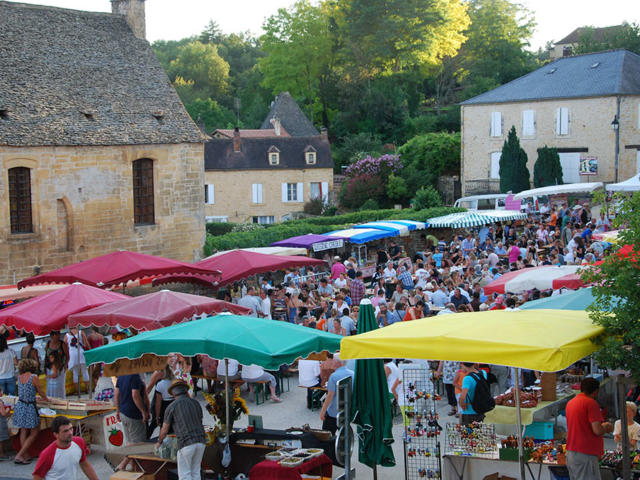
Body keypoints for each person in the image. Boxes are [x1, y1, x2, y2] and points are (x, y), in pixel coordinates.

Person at [156, 380, 207, 480]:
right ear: (185, 391)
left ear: (173, 394)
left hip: (186, 442)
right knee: (196, 472)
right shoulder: (196, 403)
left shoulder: (172, 406)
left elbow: (164, 430)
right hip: (201, 441)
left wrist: (159, 442)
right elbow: (199, 421)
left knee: (185, 475)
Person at [566, 377, 613, 480]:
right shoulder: (590, 403)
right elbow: (597, 430)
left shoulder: (571, 403)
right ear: (596, 391)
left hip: (571, 452)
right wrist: (606, 426)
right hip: (585, 453)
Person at [32, 416, 98, 480]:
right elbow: (37, 477)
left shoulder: (79, 442)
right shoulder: (47, 454)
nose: (70, 433)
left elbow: (85, 464)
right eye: (65, 431)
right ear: (55, 435)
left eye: (71, 428)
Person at [14, 359, 49, 464]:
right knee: (34, 431)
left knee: (23, 430)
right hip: (29, 406)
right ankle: (20, 455)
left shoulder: (20, 377)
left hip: (21, 404)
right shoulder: (34, 377)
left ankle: (25, 455)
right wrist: (46, 399)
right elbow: (40, 390)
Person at [319, 355, 354, 434]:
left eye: (333, 360)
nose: (331, 362)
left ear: (337, 362)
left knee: (327, 435)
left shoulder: (334, 376)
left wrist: (323, 411)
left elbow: (330, 396)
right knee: (344, 436)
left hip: (334, 412)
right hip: (347, 410)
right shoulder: (353, 374)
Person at [114, 373, 149, 444]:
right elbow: (135, 395)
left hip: (123, 412)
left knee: (129, 442)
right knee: (139, 444)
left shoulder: (121, 376)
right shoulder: (135, 376)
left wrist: (117, 411)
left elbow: (116, 395)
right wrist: (143, 411)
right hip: (134, 414)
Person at [65, 327, 90, 395]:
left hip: (72, 355)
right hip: (81, 353)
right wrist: (89, 349)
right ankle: (87, 389)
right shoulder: (81, 332)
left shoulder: (67, 335)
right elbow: (86, 343)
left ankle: (77, 391)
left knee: (75, 373)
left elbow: (65, 345)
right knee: (84, 371)